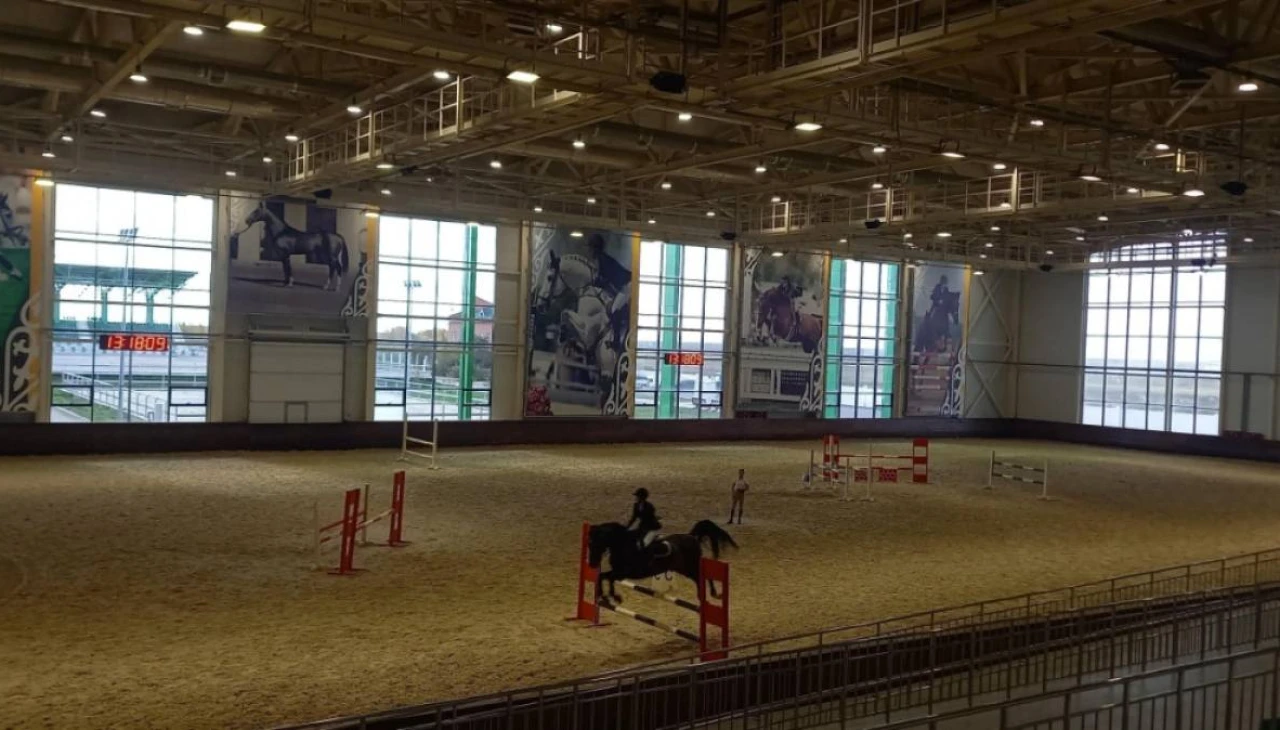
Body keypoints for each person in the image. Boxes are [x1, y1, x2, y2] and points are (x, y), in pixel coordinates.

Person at [626, 487, 662, 551]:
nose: (636, 498)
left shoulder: (649, 506)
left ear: (642, 497)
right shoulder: (636, 505)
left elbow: (648, 519)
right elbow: (633, 518)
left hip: (652, 529)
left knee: (645, 544)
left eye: (637, 496)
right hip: (643, 528)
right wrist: (626, 528)